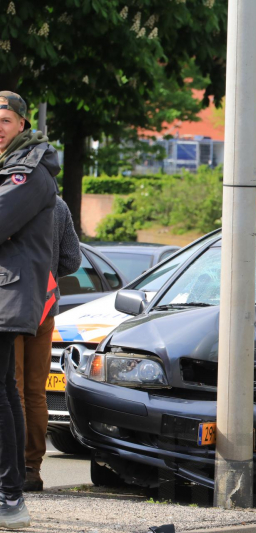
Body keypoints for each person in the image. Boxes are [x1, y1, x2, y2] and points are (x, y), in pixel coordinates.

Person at [0, 91, 59, 529]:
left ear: (21, 123)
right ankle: (11, 491)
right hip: (10, 294)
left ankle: (10, 494)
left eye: (4, 119)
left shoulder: (28, 171)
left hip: (9, 295)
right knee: (8, 391)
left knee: (12, 393)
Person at [16, 195, 80, 492]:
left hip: (10, 306)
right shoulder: (58, 204)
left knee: (10, 389)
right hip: (44, 306)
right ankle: (32, 467)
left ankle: (10, 467)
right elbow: (73, 259)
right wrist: (49, 273)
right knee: (35, 391)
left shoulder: (9, 197)